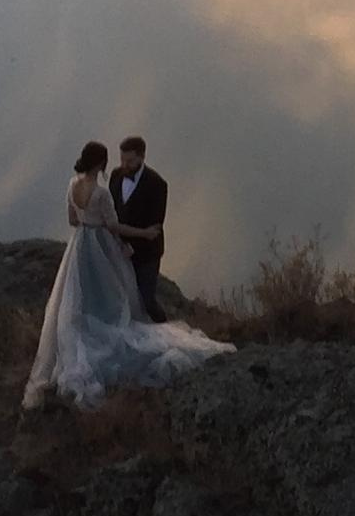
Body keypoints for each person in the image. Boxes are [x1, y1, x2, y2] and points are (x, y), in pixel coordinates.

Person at [21, 140, 232, 411]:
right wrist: (142, 234)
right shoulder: (101, 193)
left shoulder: (72, 185)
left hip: (79, 246)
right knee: (115, 296)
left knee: (76, 299)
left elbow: (73, 221)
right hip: (101, 247)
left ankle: (79, 345)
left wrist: (89, 225)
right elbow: (113, 226)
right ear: (101, 163)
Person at [111, 136, 168, 320]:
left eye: (130, 161)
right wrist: (120, 242)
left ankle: (162, 327)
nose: (124, 165)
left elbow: (155, 225)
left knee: (146, 299)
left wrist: (133, 246)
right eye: (122, 160)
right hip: (119, 249)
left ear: (142, 157)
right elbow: (112, 212)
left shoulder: (157, 184)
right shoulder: (115, 176)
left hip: (147, 254)